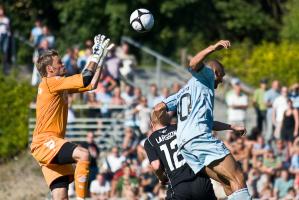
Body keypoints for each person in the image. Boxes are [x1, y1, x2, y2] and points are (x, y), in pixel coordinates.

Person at [155, 40, 251, 199]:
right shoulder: (206, 76)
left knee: (228, 183)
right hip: (200, 138)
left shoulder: (184, 91)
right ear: (216, 72)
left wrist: (231, 127)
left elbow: (159, 107)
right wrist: (213, 47)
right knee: (237, 176)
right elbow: (193, 64)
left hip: (185, 146)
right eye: (222, 76)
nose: (221, 80)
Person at [30, 34, 113, 200]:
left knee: (61, 197)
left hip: (49, 144)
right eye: (59, 63)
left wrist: (101, 60)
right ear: (50, 70)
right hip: (45, 142)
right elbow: (85, 78)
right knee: (83, 154)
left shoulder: (58, 85)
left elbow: (91, 84)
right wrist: (94, 55)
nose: (63, 64)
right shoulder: (50, 82)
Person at [144, 106, 216, 199]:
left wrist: (161, 178)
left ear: (151, 124)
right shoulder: (179, 127)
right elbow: (205, 125)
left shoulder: (150, 141)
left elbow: (156, 166)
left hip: (179, 185)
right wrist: (230, 127)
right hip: (200, 180)